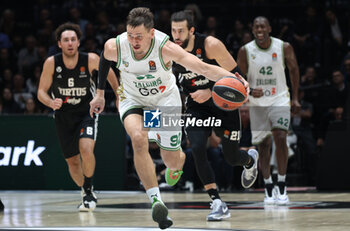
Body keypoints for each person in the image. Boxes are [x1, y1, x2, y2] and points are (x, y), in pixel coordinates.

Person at [89, 7, 249, 229]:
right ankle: (156, 200)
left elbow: (203, 68)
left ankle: (177, 165)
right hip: (133, 99)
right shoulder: (115, 46)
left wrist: (237, 78)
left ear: (151, 33)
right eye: (130, 35)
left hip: (162, 102)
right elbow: (104, 62)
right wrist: (99, 94)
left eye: (139, 37)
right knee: (138, 138)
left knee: (171, 159)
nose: (134, 41)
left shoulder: (165, 48)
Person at [170, 11, 259, 221]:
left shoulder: (210, 45)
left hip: (224, 104)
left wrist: (210, 91)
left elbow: (238, 79)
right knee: (198, 148)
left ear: (191, 30)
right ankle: (217, 201)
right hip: (196, 108)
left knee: (231, 157)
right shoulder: (169, 51)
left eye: (181, 30)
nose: (176, 35)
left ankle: (249, 160)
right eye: (173, 31)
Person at [37, 22, 119, 212]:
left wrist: (117, 94)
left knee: (86, 148)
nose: (70, 43)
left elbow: (110, 74)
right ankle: (85, 190)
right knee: (72, 162)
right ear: (59, 44)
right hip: (63, 116)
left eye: (73, 39)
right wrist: (50, 103)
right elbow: (41, 91)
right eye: (66, 40)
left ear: (78, 42)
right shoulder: (51, 63)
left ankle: (89, 190)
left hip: (86, 113)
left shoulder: (89, 59)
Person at [237, 16, 300, 205]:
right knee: (263, 145)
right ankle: (268, 187)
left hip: (280, 98)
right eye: (256, 26)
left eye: (263, 26)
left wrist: (295, 98)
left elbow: (294, 70)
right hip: (257, 103)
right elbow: (239, 78)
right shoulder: (245, 51)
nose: (259, 29)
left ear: (270, 28)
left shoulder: (284, 47)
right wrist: (248, 91)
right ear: (252, 29)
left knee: (280, 136)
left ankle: (282, 184)